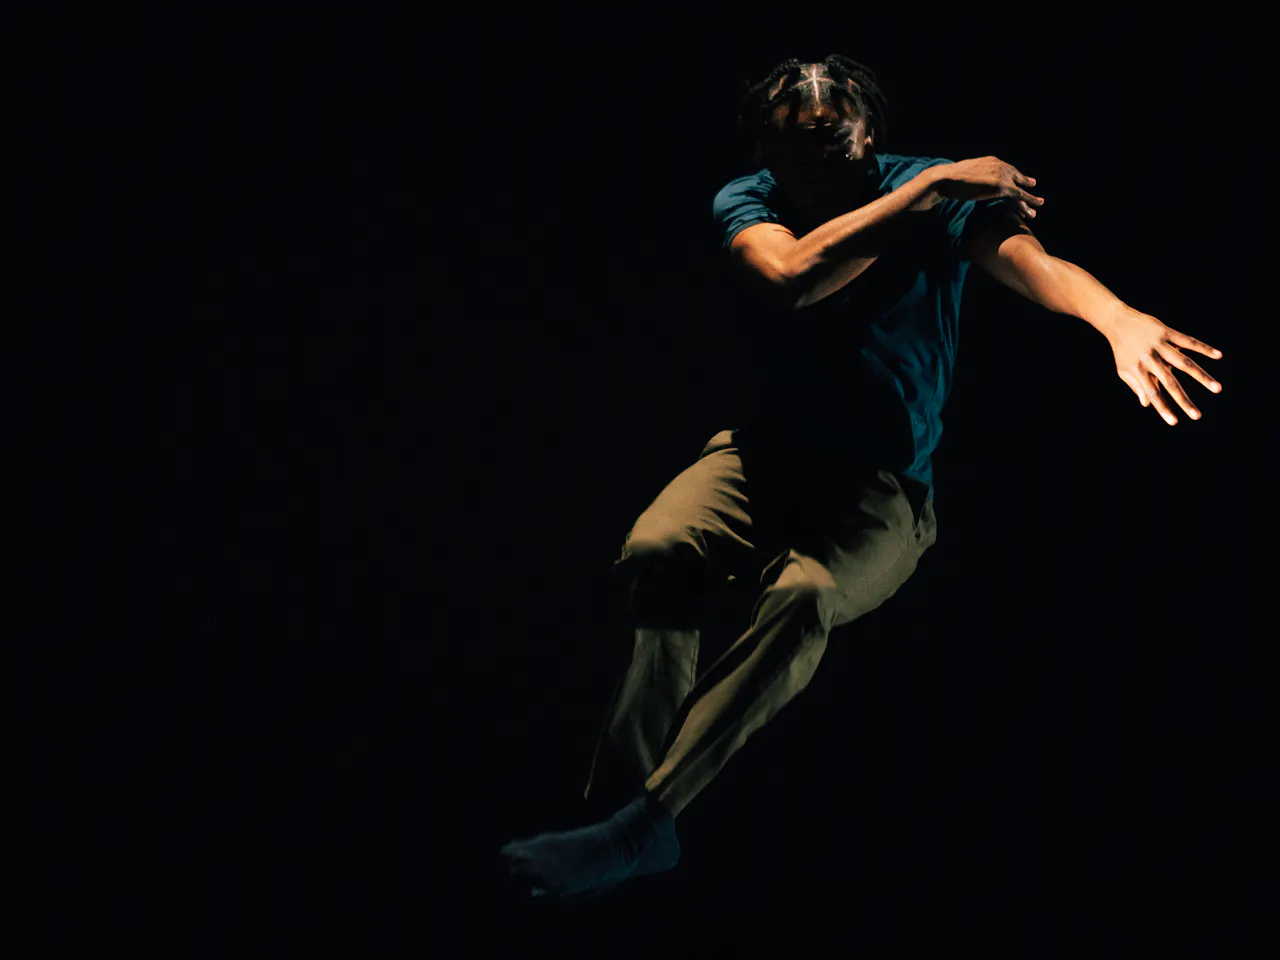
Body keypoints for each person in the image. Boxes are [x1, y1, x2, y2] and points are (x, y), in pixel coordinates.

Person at [499, 54, 1223, 902]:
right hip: (759, 458)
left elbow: (1030, 260)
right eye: (790, 150)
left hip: (881, 489)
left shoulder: (932, 192)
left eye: (832, 147)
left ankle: (639, 825)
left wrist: (1116, 319)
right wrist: (930, 193)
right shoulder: (760, 199)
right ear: (766, 150)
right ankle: (620, 816)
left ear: (868, 137)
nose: (811, 169)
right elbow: (792, 277)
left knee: (803, 601)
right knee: (659, 547)